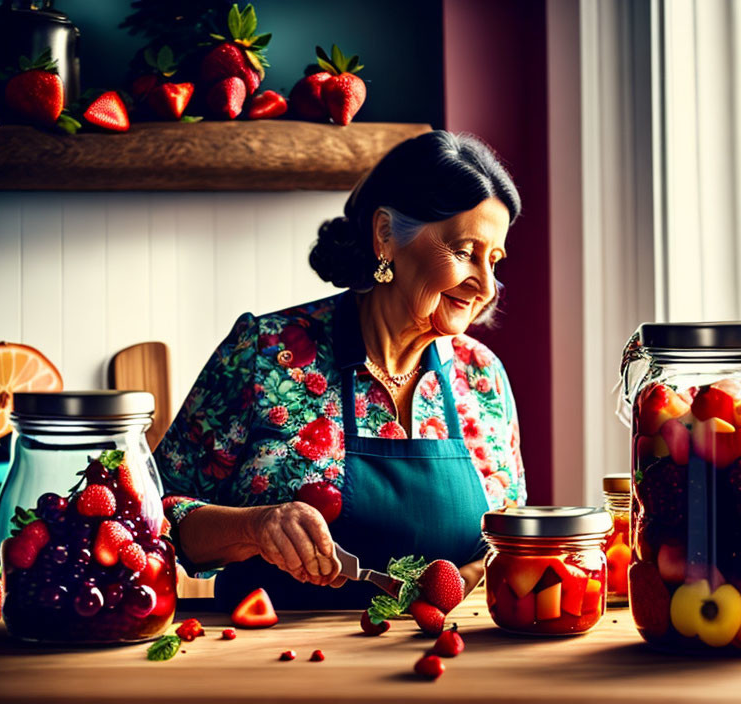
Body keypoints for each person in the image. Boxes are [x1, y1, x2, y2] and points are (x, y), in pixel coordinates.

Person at [155, 130, 525, 610]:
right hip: (273, 661)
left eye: (493, 262)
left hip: (438, 659)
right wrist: (253, 526)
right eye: (465, 252)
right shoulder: (264, 353)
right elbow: (155, 516)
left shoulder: (482, 377)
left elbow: (509, 540)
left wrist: (461, 583)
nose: (486, 286)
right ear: (386, 236)